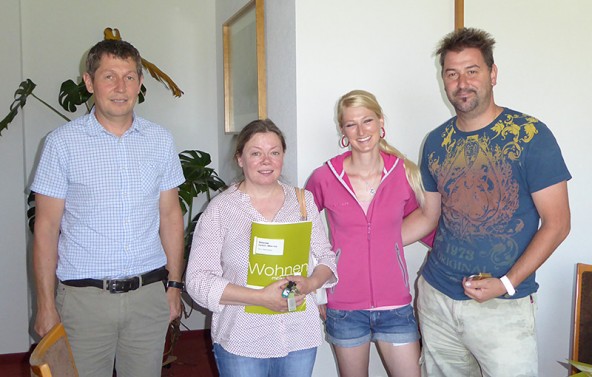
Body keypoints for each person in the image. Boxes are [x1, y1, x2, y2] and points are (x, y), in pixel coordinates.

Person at [408, 27, 571, 376]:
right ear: (443, 80)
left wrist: (507, 283)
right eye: (452, 73)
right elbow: (429, 216)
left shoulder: (530, 135)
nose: (461, 82)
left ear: (492, 73)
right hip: (437, 298)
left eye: (472, 70)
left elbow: (558, 224)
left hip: (503, 304)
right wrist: (366, 238)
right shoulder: (436, 142)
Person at [31, 39, 185, 377]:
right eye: (109, 76)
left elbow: (171, 216)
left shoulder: (160, 141)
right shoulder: (61, 144)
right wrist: (45, 304)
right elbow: (45, 227)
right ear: (89, 82)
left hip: (148, 297)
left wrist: (174, 287)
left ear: (140, 83)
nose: (120, 87)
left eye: (130, 77)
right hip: (84, 301)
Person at [185, 119, 337, 377]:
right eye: (256, 153)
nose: (266, 160)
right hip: (242, 338)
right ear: (240, 159)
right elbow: (197, 280)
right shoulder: (221, 209)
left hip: (299, 335)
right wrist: (259, 298)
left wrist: (310, 284)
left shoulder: (303, 202)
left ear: (283, 156)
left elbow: (326, 257)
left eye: (274, 152)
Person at [306, 90, 429, 377]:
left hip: (395, 306)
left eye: (367, 121)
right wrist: (319, 292)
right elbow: (306, 234)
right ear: (342, 130)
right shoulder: (323, 178)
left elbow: (426, 222)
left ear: (380, 122)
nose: (361, 131)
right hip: (344, 307)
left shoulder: (404, 174)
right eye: (351, 124)